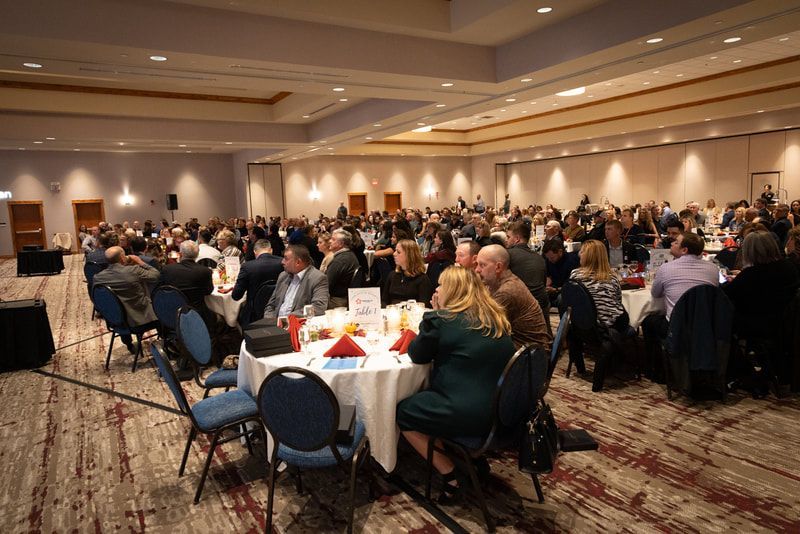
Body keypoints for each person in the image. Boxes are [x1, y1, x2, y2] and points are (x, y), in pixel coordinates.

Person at [396, 267, 515, 500]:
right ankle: (471, 458)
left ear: (452, 291)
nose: (436, 289)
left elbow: (416, 355)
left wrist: (436, 314)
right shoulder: (495, 317)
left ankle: (449, 473)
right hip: (505, 410)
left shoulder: (441, 320)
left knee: (404, 412)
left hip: (470, 413)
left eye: (440, 285)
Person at [642, 232, 720, 379]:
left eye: (676, 242)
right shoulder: (713, 269)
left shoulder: (666, 268)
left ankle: (655, 370)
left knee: (648, 322)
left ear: (684, 250)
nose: (671, 243)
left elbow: (656, 294)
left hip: (677, 326)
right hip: (706, 325)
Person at [724, 231, 799, 340]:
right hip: (785, 322)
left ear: (749, 251)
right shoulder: (789, 267)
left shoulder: (750, 274)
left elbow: (727, 295)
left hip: (755, 323)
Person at [476, 245, 551, 349]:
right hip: (526, 347)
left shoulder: (507, 291)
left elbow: (483, 324)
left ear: (498, 267)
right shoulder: (500, 282)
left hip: (530, 355)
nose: (477, 270)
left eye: (482, 265)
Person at [92, 246, 160, 354]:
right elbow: (156, 275)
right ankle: (166, 346)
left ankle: (129, 344)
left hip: (116, 321)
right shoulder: (133, 270)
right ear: (123, 258)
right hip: (140, 321)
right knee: (165, 308)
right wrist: (140, 261)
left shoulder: (98, 277)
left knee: (120, 306)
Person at [568, 239, 629, 335]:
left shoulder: (575, 275)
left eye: (582, 251)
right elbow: (618, 300)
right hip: (613, 323)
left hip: (585, 323)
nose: (579, 254)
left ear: (588, 256)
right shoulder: (612, 278)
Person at [264, 245, 329, 321]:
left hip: (298, 325)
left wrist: (287, 319)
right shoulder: (283, 276)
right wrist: (269, 321)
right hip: (274, 325)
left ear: (298, 262)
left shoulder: (317, 278)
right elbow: (271, 305)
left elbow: (318, 307)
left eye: (286, 259)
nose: (282, 262)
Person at [506, 221, 550, 327]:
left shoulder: (507, 255)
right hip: (542, 306)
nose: (506, 240)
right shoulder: (539, 257)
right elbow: (543, 284)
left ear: (516, 239)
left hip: (521, 309)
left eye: (508, 237)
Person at [158, 240, 214, 322]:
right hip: (197, 313)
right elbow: (208, 291)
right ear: (197, 254)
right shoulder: (205, 271)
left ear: (180, 253)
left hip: (171, 311)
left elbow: (162, 290)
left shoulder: (167, 269)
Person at [231, 239, 283, 325]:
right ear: (271, 250)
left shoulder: (247, 266)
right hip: (279, 306)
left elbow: (236, 295)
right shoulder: (283, 262)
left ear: (255, 251)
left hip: (254, 312)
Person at [381, 239, 433, 306]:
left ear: (409, 256)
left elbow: (424, 306)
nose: (394, 254)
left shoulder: (422, 280)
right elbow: (384, 301)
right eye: (395, 250)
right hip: (392, 313)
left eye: (398, 252)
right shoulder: (392, 275)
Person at [325, 229, 359, 308]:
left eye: (333, 239)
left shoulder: (340, 261)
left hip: (337, 301)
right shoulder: (349, 255)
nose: (330, 241)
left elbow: (326, 284)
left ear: (341, 244)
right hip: (345, 297)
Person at [542, 239, 580, 307]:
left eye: (552, 257)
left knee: (561, 299)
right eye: (548, 258)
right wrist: (546, 286)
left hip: (568, 289)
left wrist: (556, 289)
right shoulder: (549, 260)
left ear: (560, 252)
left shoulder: (572, 261)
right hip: (554, 288)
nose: (550, 260)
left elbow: (573, 286)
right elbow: (548, 276)